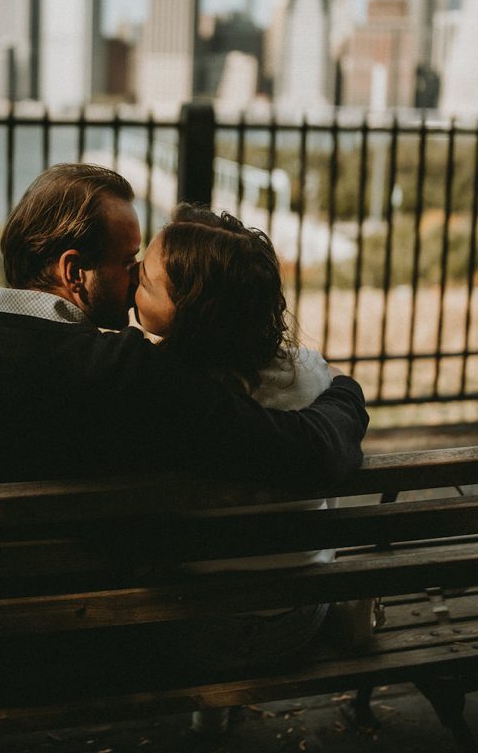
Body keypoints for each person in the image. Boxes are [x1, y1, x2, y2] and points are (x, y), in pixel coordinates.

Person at [0, 163, 368, 695]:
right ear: (73, 271)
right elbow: (308, 454)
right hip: (79, 648)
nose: (137, 278)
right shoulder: (129, 374)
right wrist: (344, 393)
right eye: (129, 262)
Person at [132, 203, 346, 733]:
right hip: (296, 621)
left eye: (143, 279)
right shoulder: (314, 377)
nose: (132, 277)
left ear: (191, 310)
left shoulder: (151, 391)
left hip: (188, 633)